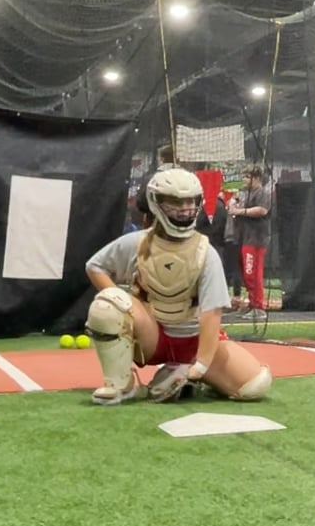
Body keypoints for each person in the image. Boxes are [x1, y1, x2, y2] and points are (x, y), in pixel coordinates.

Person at [85, 167, 272, 405]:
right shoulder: (137, 242)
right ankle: (121, 383)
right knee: (106, 306)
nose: (185, 208)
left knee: (254, 385)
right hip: (152, 336)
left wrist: (200, 366)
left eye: (190, 201)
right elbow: (95, 266)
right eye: (175, 202)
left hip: (195, 339)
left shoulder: (206, 253)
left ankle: (182, 371)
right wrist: (119, 303)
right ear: (156, 202)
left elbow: (212, 314)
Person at [227, 165, 272, 320]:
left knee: (253, 273)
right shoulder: (245, 192)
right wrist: (233, 204)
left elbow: (262, 210)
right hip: (244, 237)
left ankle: (258, 307)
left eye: (247, 176)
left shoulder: (262, 193)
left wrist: (240, 211)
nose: (244, 179)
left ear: (256, 178)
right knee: (247, 273)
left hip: (256, 239)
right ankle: (252, 304)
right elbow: (235, 203)